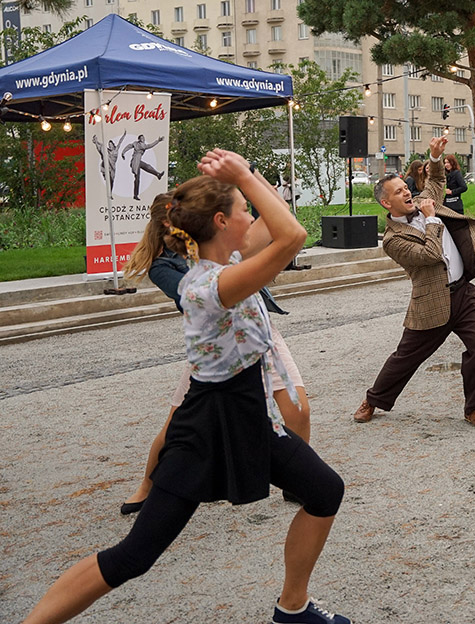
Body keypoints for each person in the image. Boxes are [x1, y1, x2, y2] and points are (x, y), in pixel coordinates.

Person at [22, 149, 349, 624]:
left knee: (325, 491)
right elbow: (293, 236)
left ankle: (293, 608)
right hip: (205, 428)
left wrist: (247, 174)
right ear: (222, 221)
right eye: (243, 209)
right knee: (133, 556)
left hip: (247, 417)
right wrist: (240, 176)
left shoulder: (229, 261)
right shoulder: (210, 286)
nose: (250, 215)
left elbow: (280, 216)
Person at [119, 193, 311, 515]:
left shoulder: (223, 243)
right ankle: (148, 486)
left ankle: (298, 480)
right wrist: (238, 263)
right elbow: (195, 297)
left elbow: (279, 213)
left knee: (299, 410)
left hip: (257, 332)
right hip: (215, 346)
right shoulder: (165, 265)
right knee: (178, 426)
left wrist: (246, 177)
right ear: (168, 222)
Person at [353, 136, 475, 429]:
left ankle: (474, 408)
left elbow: (437, 181)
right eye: (399, 191)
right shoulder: (393, 240)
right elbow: (430, 254)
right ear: (386, 202)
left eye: (406, 188)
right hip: (431, 301)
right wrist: (432, 220)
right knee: (405, 358)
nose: (407, 192)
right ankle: (373, 399)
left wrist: (434, 157)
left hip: (463, 294)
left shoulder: (422, 201)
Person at [121, 133, 165, 201]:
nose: (143, 139)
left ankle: (157, 174)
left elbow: (129, 146)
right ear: (139, 139)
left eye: (143, 138)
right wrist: (158, 141)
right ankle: (135, 195)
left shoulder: (138, 144)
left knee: (146, 168)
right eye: (142, 138)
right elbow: (149, 146)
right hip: (135, 161)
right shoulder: (140, 145)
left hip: (138, 161)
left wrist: (123, 153)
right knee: (138, 178)